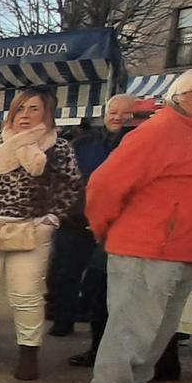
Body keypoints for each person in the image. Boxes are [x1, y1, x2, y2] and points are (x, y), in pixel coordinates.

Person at [84, 65, 192, 383]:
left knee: (157, 329)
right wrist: (106, 231)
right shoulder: (158, 132)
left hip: (177, 251)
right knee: (133, 326)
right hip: (148, 248)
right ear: (189, 97)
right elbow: (104, 187)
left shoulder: (191, 133)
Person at [0, 88, 81, 380]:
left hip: (31, 230)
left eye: (34, 109)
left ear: (47, 112)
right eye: (21, 109)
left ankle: (28, 353)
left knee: (27, 295)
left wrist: (52, 218)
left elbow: (70, 185)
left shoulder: (57, 148)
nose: (25, 116)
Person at [51, 96, 138, 343]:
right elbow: (65, 177)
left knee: (102, 280)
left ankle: (99, 335)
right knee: (65, 271)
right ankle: (63, 319)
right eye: (113, 111)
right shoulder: (84, 142)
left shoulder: (140, 144)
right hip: (77, 219)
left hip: (118, 223)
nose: (118, 116)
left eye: (126, 112)